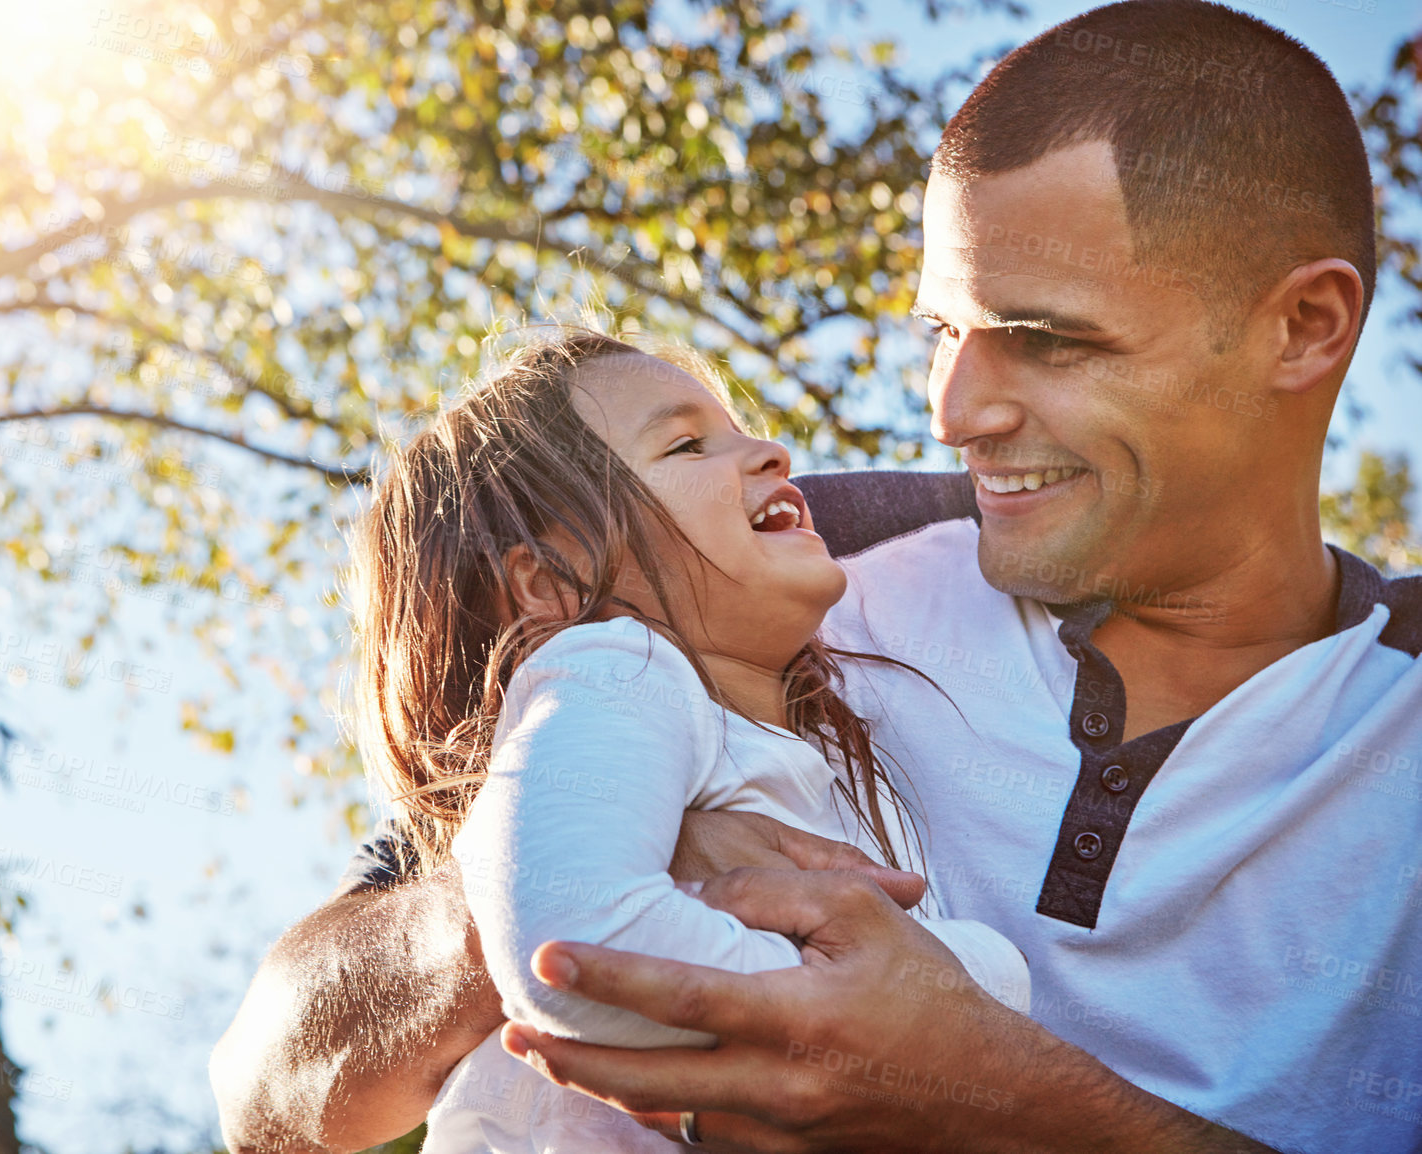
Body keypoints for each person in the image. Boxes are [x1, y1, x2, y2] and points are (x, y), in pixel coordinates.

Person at [209, 2, 1422, 1152]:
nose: (954, 411)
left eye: (1048, 338)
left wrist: (1006, 1104)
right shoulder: (785, 566)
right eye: (942, 331)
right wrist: (577, 879)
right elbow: (268, 1091)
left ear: (1303, 328)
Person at [343, 332, 1031, 1153]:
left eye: (739, 429)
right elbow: (575, 947)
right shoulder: (612, 666)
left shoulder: (828, 757)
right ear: (553, 581)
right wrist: (905, 1008)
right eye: (688, 444)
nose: (772, 453)